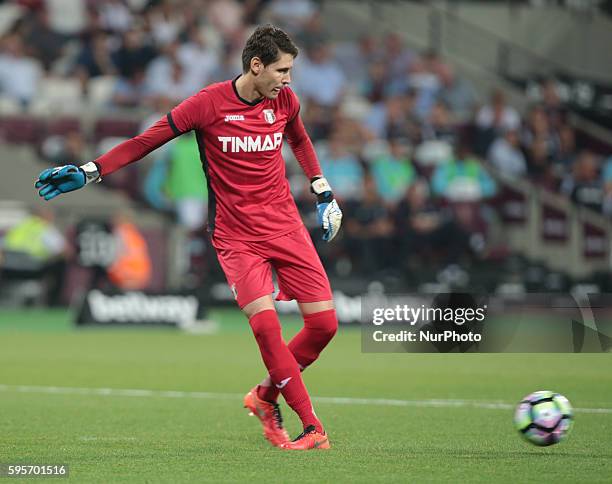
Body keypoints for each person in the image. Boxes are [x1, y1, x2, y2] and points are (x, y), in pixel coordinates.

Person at [34, 25, 342, 451]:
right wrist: (91, 171)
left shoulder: (285, 100)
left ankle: (265, 395)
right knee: (268, 329)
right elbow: (146, 142)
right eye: (282, 70)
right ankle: (312, 427)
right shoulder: (207, 104)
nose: (288, 79)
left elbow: (301, 141)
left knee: (324, 325)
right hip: (237, 236)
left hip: (286, 225)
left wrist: (323, 190)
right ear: (256, 66)